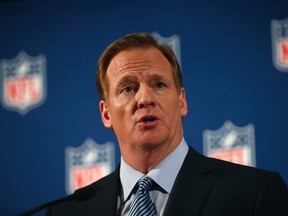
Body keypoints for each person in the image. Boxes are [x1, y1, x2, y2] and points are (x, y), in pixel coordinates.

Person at [47, 33, 288, 216]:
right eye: (128, 88)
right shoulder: (67, 211)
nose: (145, 99)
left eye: (159, 85)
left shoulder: (253, 194)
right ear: (106, 113)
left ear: (181, 101)